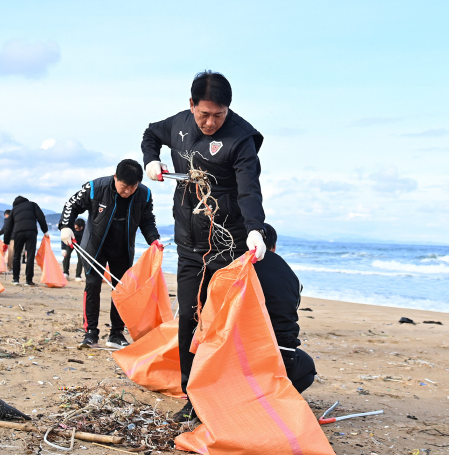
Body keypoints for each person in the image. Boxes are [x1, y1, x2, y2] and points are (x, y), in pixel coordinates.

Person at [140, 70, 267, 420]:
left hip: (227, 245)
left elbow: (248, 189)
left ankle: (221, 388)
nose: (211, 122)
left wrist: (255, 229)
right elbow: (150, 134)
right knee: (190, 316)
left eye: (219, 115)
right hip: (188, 242)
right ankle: (191, 392)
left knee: (219, 322)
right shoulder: (179, 125)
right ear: (191, 105)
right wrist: (151, 160)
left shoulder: (241, 139)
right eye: (204, 114)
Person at [59, 159, 161, 349]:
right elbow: (71, 204)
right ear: (115, 178)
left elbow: (147, 220)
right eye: (124, 187)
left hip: (123, 246)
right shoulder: (95, 187)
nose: (128, 191)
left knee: (121, 289)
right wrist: (66, 227)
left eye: (132, 187)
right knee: (92, 285)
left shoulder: (144, 194)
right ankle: (91, 333)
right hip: (95, 245)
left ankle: (116, 334)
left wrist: (154, 239)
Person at [254, 224, 317, 394]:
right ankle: (275, 398)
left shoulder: (236, 265)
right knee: (307, 368)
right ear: (273, 248)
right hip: (281, 356)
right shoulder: (291, 276)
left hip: (238, 354)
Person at [3, 196, 49, 286]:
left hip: (18, 232)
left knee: (17, 255)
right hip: (31, 232)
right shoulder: (32, 205)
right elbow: (41, 217)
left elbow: (8, 226)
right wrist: (45, 231)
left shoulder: (14, 209)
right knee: (30, 256)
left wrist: (6, 241)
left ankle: (16, 279)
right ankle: (29, 280)